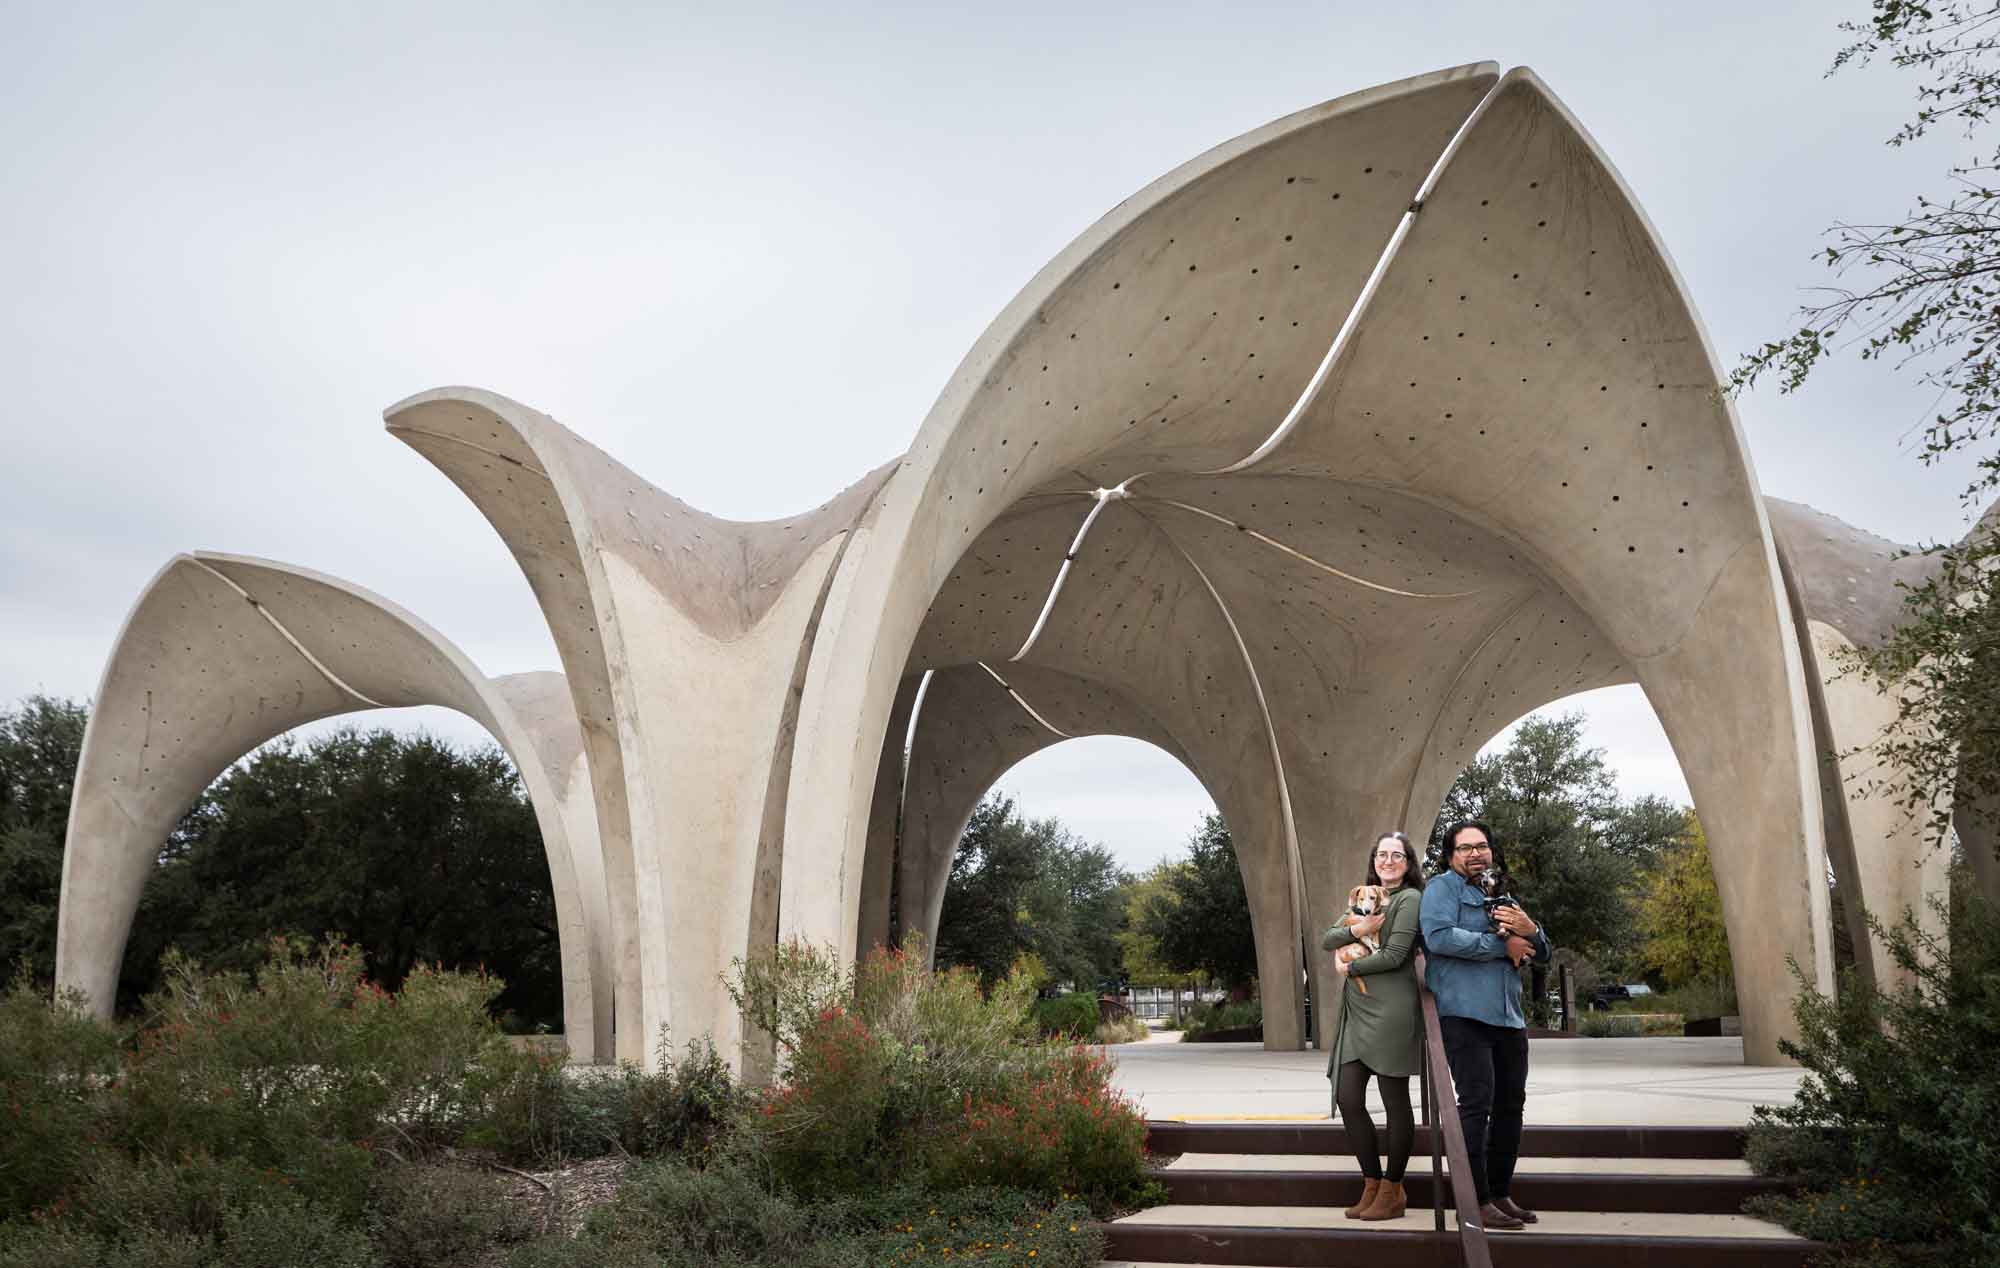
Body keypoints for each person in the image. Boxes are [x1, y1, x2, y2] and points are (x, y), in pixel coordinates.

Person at [1420, 819, 1551, 1232]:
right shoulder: (1441, 890)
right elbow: (1439, 938)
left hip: (1508, 1015)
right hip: (1464, 1014)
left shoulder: (1502, 894)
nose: (1475, 853)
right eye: (1465, 848)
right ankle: (1473, 1200)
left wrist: (1532, 931)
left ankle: (1500, 1192)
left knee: (1511, 1106)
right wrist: (1501, 945)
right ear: (1451, 855)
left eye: (1482, 846)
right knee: (1476, 1103)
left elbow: (1539, 950)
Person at [1320, 831, 1424, 1222]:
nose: (1389, 860)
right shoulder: (1362, 897)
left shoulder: (1410, 899)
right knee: (1348, 1097)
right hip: (1358, 1011)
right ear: (1374, 860)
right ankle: (1371, 1183)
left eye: (1397, 855)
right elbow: (1327, 938)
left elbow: (1397, 955)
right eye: (1382, 854)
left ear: (1408, 862)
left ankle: (1393, 1189)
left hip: (1392, 1010)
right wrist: (1356, 931)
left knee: (1394, 1100)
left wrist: (1350, 966)